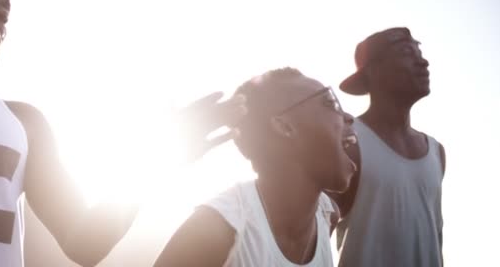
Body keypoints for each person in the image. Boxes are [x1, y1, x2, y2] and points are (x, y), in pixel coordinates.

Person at [0, 0, 247, 267]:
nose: (1, 12)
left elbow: (86, 244)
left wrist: (157, 162)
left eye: (6, 6)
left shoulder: (24, 124)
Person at [154, 67, 359, 267]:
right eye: (330, 102)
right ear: (285, 126)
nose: (348, 117)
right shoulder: (216, 229)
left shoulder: (326, 215)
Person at [331, 27, 445, 267]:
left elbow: (435, 237)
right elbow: (312, 234)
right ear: (373, 72)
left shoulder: (436, 152)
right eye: (406, 52)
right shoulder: (349, 141)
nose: (423, 62)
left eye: (419, 52)